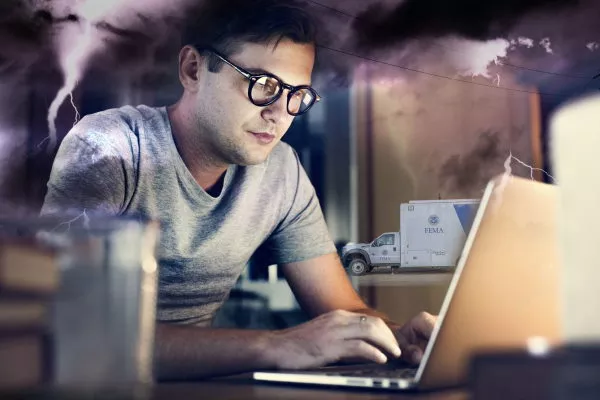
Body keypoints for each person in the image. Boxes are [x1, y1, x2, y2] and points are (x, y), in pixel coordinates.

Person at [41, 0, 437, 380]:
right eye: (263, 85)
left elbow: (345, 309)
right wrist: (279, 346)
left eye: (296, 95)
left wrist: (397, 339)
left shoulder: (282, 170)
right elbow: (76, 332)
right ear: (193, 69)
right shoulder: (110, 147)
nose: (280, 113)